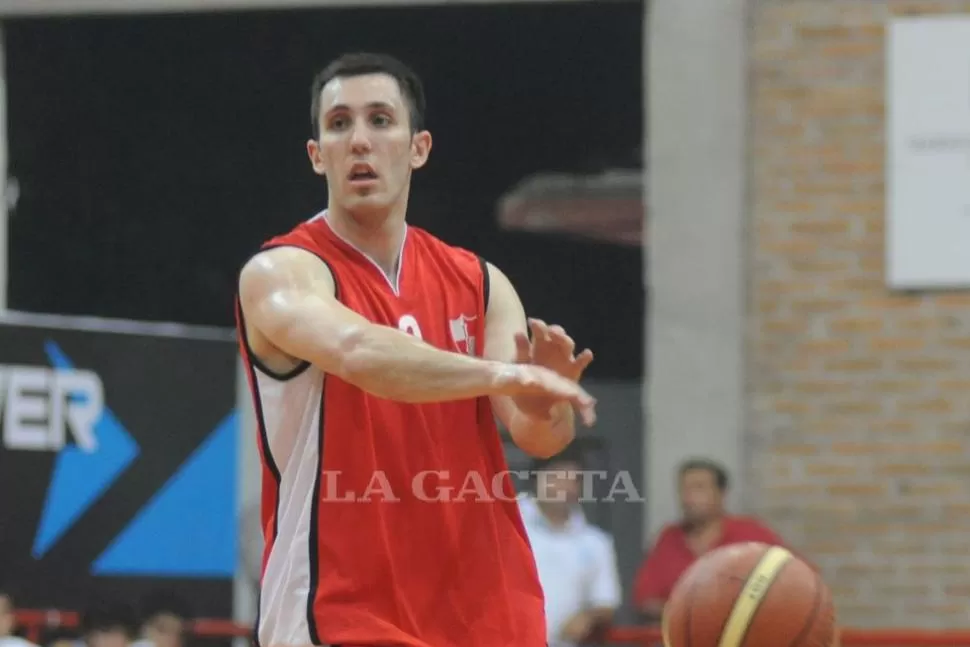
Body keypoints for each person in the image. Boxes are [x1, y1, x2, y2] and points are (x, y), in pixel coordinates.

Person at [235, 52, 597, 647]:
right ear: (316, 154)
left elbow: (540, 439)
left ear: (418, 147)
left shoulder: (479, 281)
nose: (359, 141)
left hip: (486, 610)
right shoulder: (282, 272)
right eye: (339, 124)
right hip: (343, 611)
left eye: (380, 120)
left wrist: (540, 405)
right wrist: (506, 374)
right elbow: (360, 352)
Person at [633, 458, 785, 621]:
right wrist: (692, 614)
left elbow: (794, 582)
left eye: (698, 488)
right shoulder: (669, 537)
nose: (688, 498)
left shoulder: (752, 535)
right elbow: (645, 599)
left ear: (722, 493)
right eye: (683, 489)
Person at [519, 447, 621, 647]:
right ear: (536, 479)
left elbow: (606, 601)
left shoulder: (595, 542)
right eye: (556, 476)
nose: (564, 486)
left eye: (573, 479)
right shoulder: (506, 526)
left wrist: (588, 617)